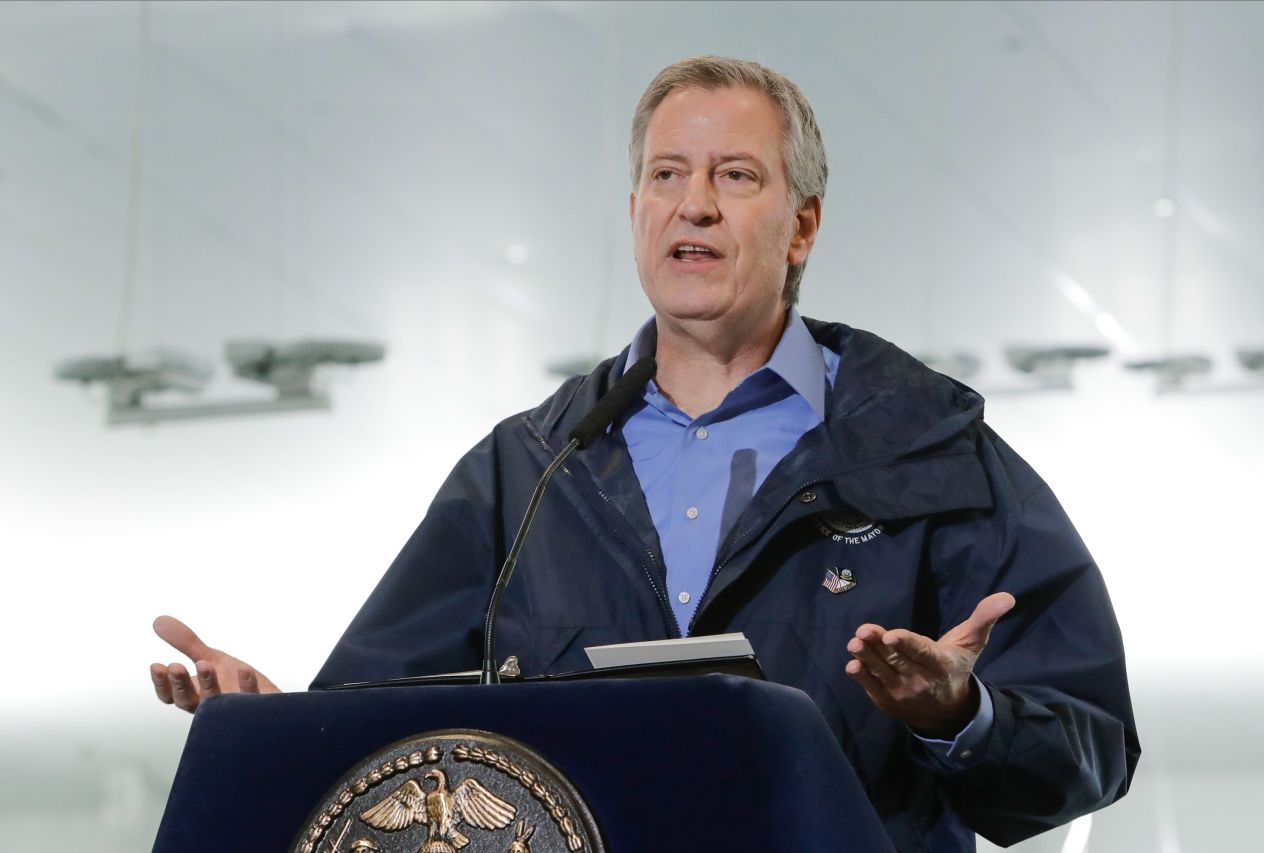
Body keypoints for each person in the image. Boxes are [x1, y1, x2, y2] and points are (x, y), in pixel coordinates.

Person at [151, 56, 1139, 851]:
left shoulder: (927, 455)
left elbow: (1088, 748)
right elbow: (389, 733)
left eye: (734, 176)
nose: (693, 204)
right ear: (634, 211)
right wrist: (279, 726)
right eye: (666, 175)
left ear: (801, 226)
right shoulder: (527, 471)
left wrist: (957, 712)